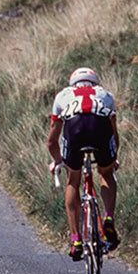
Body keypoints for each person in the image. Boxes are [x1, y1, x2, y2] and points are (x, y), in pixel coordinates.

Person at [47, 67, 121, 260]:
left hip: (75, 129)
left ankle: (76, 240)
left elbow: (51, 141)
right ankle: (109, 218)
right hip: (100, 129)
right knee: (106, 173)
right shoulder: (105, 94)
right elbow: (114, 134)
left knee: (73, 181)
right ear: (95, 83)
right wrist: (113, 159)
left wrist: (58, 162)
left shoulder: (62, 96)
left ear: (72, 84)